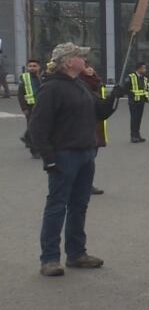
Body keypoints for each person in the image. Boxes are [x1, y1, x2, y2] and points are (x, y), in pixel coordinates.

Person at [30, 42, 127, 276]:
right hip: (64, 155)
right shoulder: (51, 88)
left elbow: (100, 112)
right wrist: (49, 158)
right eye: (80, 57)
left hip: (86, 154)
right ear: (68, 62)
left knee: (79, 206)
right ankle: (50, 259)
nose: (85, 60)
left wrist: (114, 95)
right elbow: (37, 127)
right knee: (57, 206)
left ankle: (76, 254)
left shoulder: (81, 86)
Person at [81, 62, 109, 195]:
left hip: (97, 123)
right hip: (86, 125)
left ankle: (87, 184)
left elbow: (102, 106)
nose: (90, 69)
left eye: (91, 66)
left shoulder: (96, 82)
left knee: (91, 157)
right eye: (86, 67)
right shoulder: (81, 83)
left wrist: (113, 97)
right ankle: (84, 184)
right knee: (87, 158)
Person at [18, 59, 42, 158]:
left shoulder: (42, 77)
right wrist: (24, 108)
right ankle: (34, 150)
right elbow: (20, 95)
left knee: (40, 127)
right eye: (30, 66)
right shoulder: (25, 79)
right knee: (33, 128)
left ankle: (27, 137)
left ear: (39, 67)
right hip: (30, 107)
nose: (32, 68)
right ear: (27, 67)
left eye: (34, 66)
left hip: (42, 106)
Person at [127, 62, 149, 143]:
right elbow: (126, 88)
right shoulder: (131, 77)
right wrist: (131, 95)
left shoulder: (144, 78)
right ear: (139, 68)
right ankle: (133, 136)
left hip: (141, 101)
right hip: (133, 102)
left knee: (139, 119)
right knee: (134, 119)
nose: (145, 70)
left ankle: (137, 135)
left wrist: (146, 98)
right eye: (143, 68)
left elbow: (145, 89)